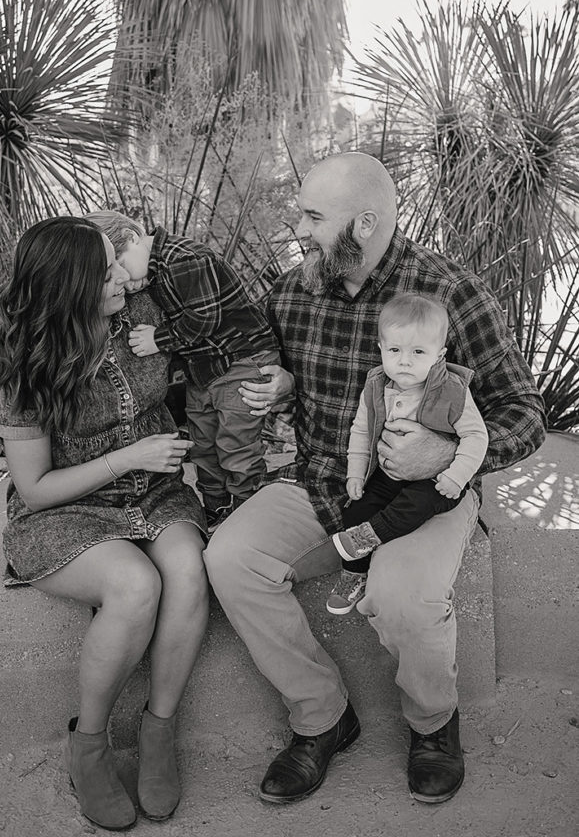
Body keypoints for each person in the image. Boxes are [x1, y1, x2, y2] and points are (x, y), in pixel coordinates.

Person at [204, 153, 546, 806]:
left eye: (311, 215)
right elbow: (253, 356)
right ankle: (323, 718)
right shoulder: (293, 290)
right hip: (324, 478)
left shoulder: (449, 293)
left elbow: (522, 412)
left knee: (401, 598)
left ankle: (432, 725)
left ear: (362, 223)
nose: (296, 226)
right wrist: (276, 379)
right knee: (231, 558)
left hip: (423, 491)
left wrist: (441, 455)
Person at [0, 216, 208, 831]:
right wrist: (129, 456)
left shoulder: (139, 306)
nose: (123, 276)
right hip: (65, 510)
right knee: (135, 585)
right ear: (68, 286)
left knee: (188, 571)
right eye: (106, 269)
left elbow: (226, 317)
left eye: (119, 261)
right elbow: (34, 490)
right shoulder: (24, 365)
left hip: (157, 493)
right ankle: (89, 745)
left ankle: (158, 730)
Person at [86, 210, 280, 531]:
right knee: (202, 443)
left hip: (237, 362)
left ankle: (249, 511)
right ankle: (216, 506)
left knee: (236, 442)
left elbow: (205, 319)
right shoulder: (153, 273)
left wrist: (157, 339)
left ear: (133, 238)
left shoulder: (185, 259)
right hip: (202, 369)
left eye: (120, 262)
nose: (122, 278)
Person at [326, 292, 489, 615]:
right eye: (395, 350)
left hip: (436, 480)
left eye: (418, 352)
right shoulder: (376, 386)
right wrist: (355, 473)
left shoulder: (452, 391)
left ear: (439, 355)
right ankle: (354, 574)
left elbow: (476, 436)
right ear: (381, 350)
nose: (404, 361)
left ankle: (370, 536)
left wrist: (456, 476)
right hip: (388, 473)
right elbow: (360, 431)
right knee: (356, 509)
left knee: (415, 504)